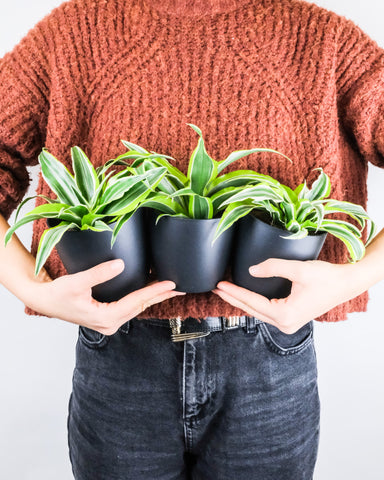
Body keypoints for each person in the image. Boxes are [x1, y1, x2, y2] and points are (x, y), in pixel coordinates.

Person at [0, 0, 383, 478]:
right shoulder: (74, 33)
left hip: (268, 362)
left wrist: (354, 279)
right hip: (119, 357)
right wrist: (31, 289)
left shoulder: (323, 41)